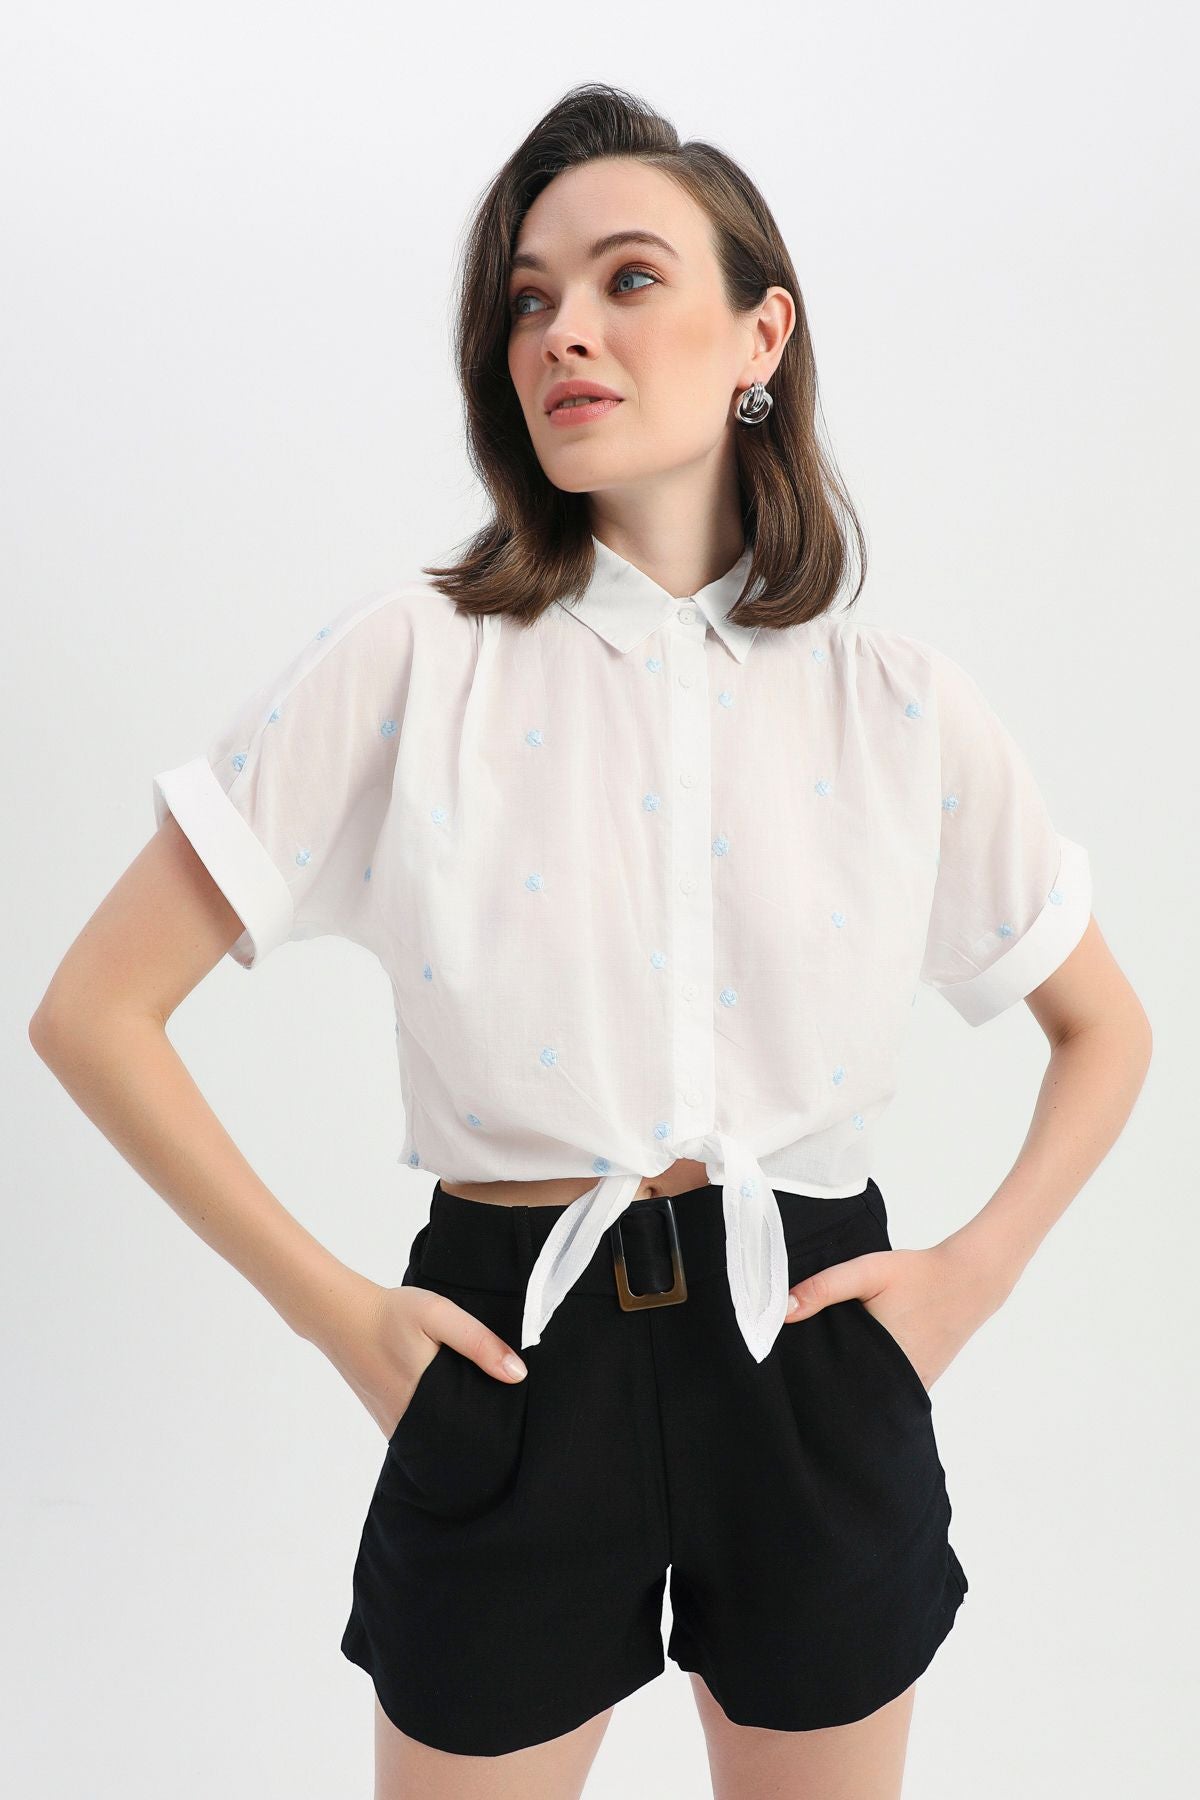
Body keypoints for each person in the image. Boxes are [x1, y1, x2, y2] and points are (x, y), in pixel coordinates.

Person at [29, 82, 1152, 1800]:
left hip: (813, 1349)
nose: (563, 331)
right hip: (509, 1359)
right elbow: (94, 1011)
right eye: (528, 299)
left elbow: (1108, 1026)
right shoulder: (414, 660)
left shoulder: (900, 702)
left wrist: (968, 1279)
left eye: (628, 278)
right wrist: (341, 1320)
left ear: (761, 334)